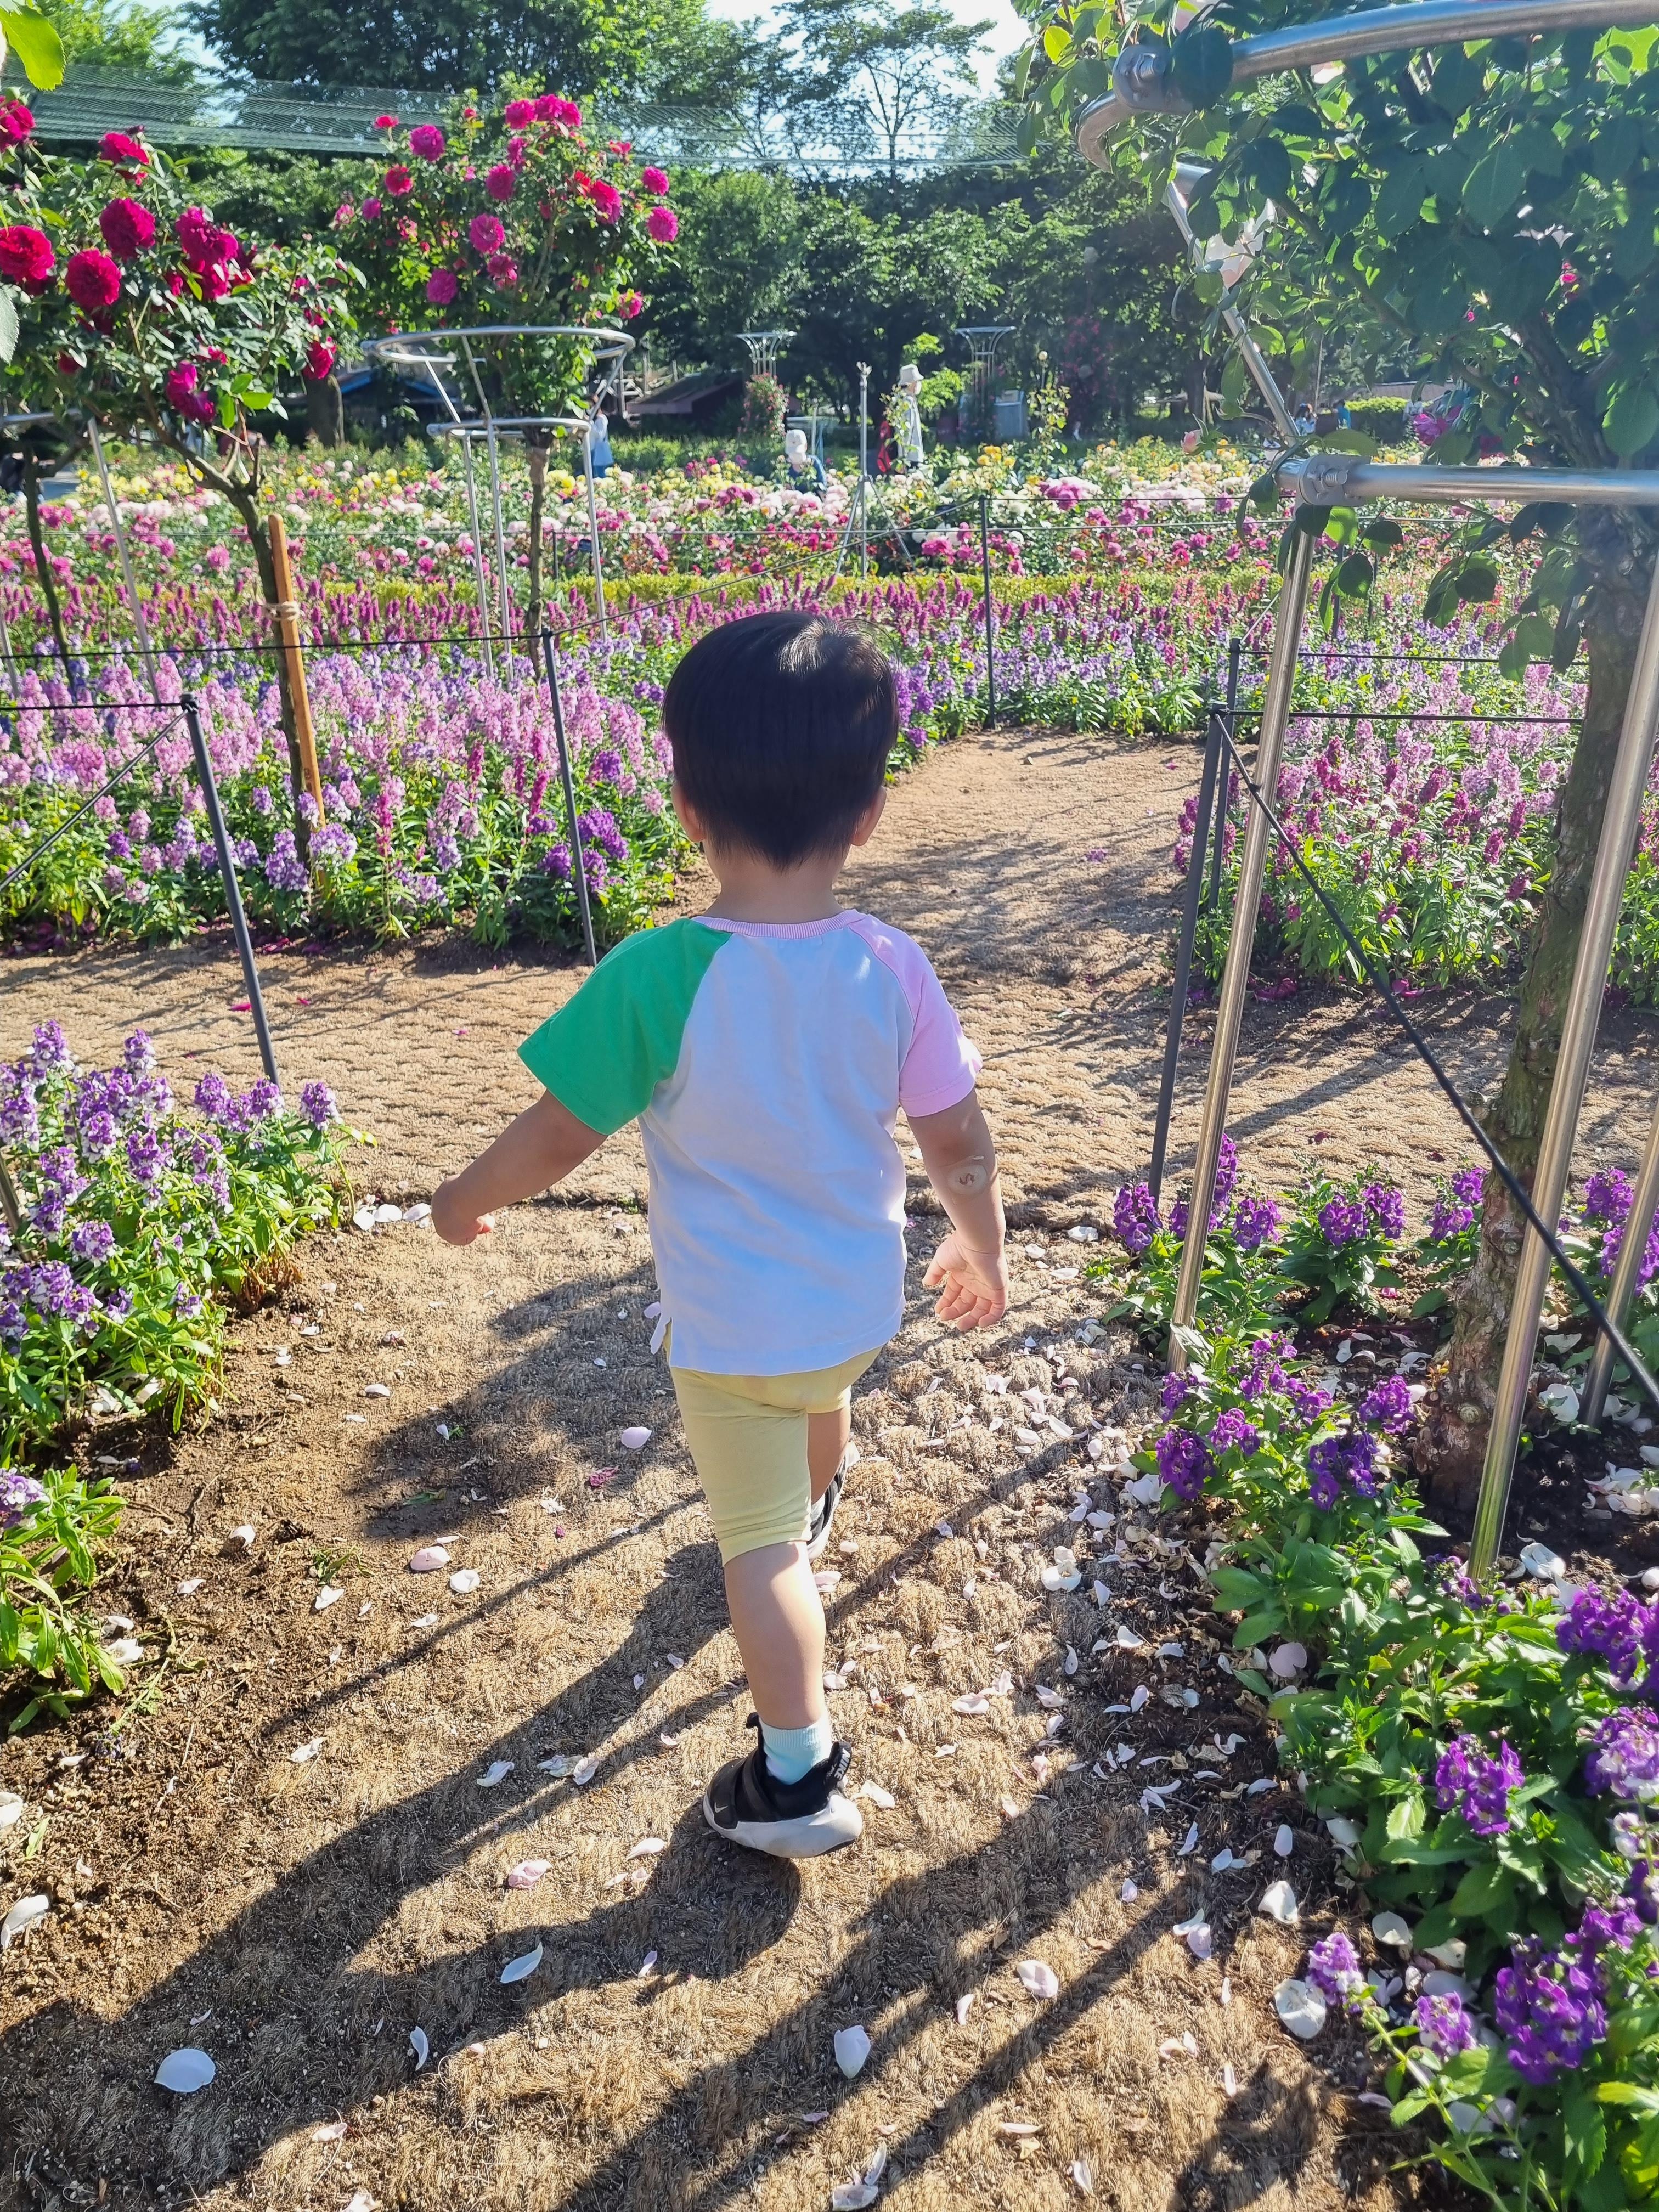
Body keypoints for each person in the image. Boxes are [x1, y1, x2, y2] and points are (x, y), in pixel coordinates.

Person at [432, 614, 1008, 1859]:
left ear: (686, 802)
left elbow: (555, 1137)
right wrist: (982, 1248)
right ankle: (821, 1487)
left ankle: (797, 1773)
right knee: (819, 1397)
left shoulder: (656, 974)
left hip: (732, 1326)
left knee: (757, 1556)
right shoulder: (891, 966)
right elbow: (957, 1137)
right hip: (859, 1303)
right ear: (869, 812)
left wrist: (464, 1199)